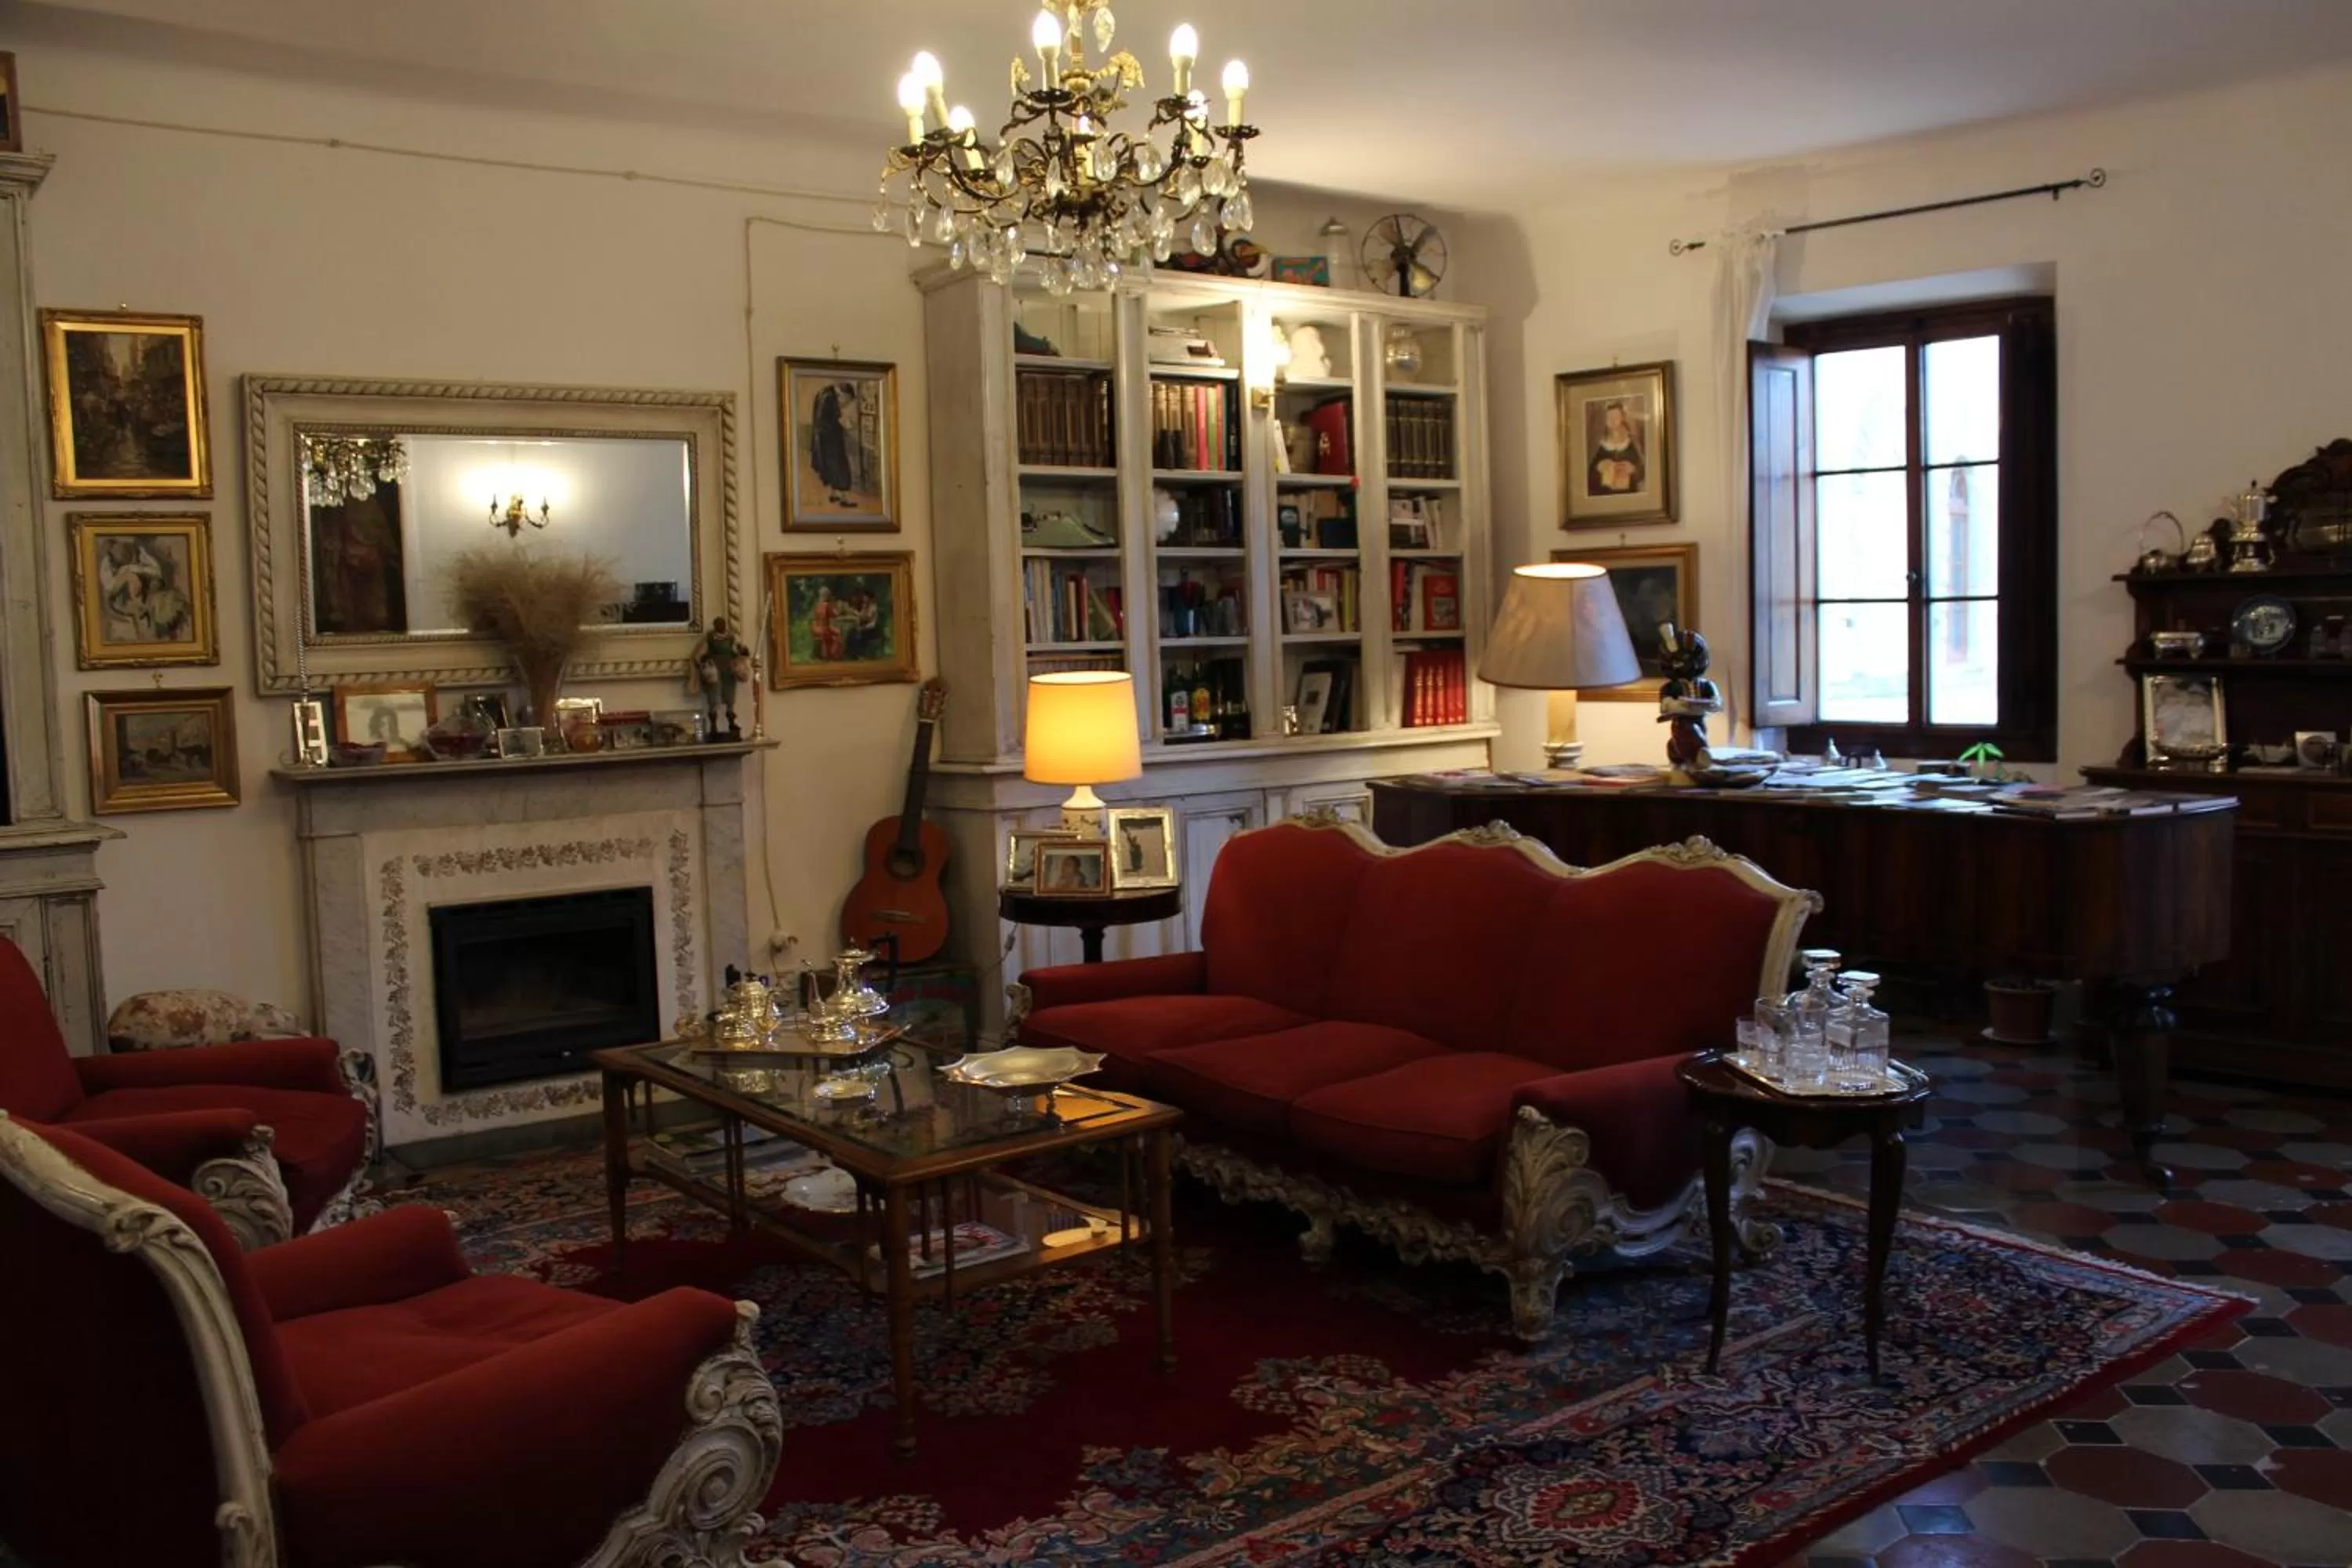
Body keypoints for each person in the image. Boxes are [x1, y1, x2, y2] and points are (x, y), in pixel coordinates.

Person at [810, 381, 862, 506]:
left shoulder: (825, 393)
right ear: (843, 394)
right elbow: (826, 420)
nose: (845, 404)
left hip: (824, 439)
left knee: (833, 467)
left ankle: (835, 494)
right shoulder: (829, 397)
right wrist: (843, 424)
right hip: (829, 439)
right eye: (847, 400)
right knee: (840, 467)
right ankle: (844, 498)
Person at [1588, 400, 1646, 496]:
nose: (1613, 421)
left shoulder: (1633, 442)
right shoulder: (1597, 444)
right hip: (1603, 496)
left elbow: (1644, 470)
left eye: (1616, 417)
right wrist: (1599, 468)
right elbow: (1587, 476)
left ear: (1622, 418)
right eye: (1609, 417)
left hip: (1629, 495)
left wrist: (1633, 469)